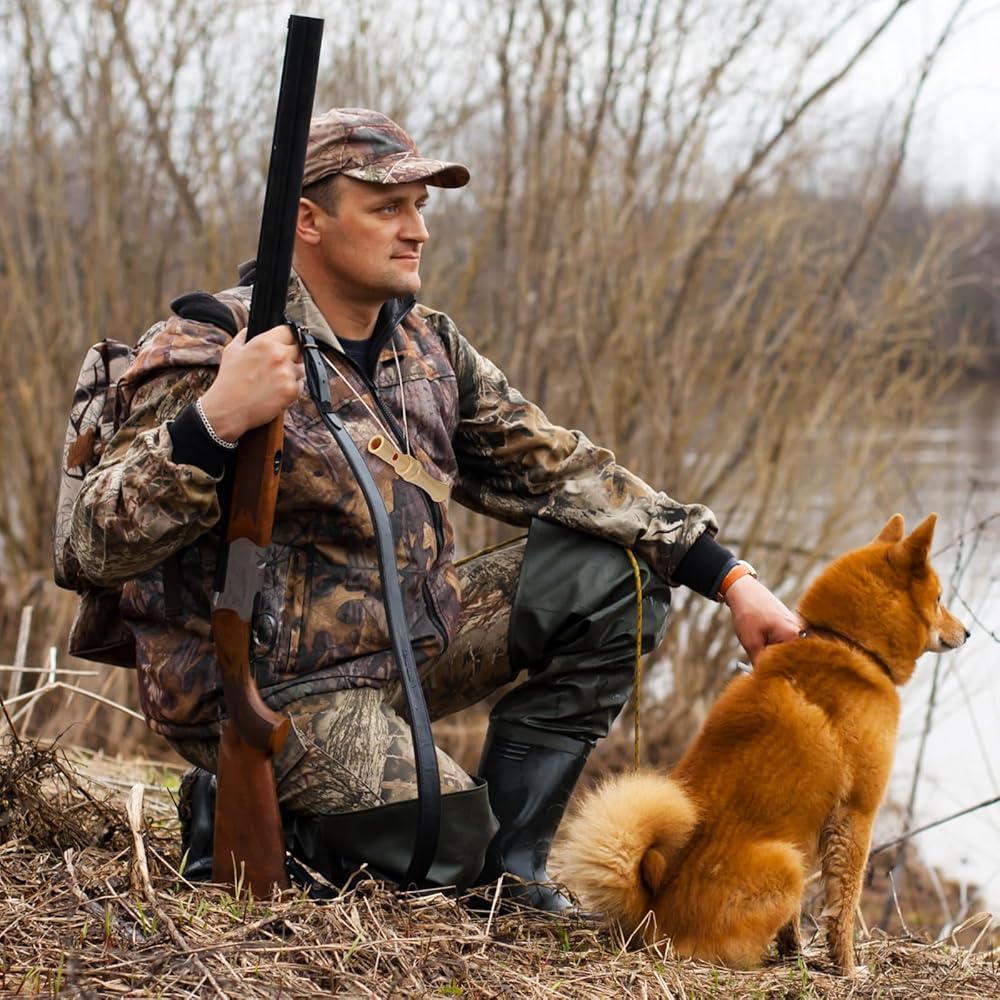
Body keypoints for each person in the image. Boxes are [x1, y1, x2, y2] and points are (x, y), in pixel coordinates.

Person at [70, 108, 801, 910]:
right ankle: (245, 812)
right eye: (388, 207)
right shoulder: (211, 345)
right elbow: (91, 542)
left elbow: (560, 468)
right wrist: (215, 420)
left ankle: (511, 873)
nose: (416, 229)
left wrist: (728, 577)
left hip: (401, 660)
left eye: (419, 207)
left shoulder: (427, 349)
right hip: (266, 694)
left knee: (611, 581)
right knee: (446, 838)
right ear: (307, 221)